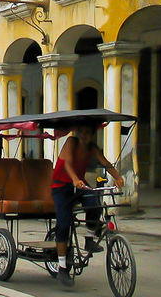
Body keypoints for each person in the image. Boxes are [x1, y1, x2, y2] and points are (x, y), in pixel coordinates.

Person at [50, 122, 124, 288]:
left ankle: (89, 238)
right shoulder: (71, 142)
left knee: (95, 203)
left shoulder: (92, 148)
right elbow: (67, 164)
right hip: (61, 186)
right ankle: (62, 268)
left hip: (79, 185)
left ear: (92, 135)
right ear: (77, 132)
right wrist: (75, 179)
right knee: (63, 225)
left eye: (88, 133)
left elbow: (105, 163)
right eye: (82, 132)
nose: (84, 136)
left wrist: (118, 177)